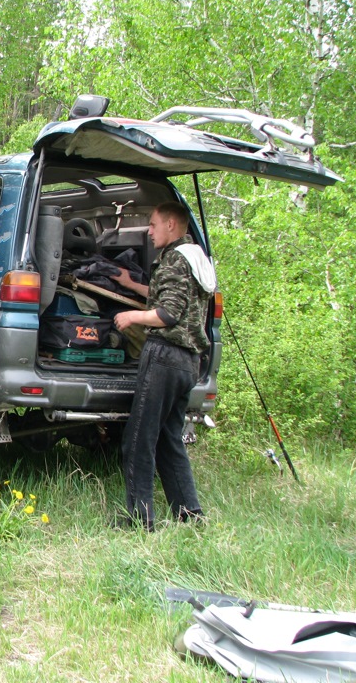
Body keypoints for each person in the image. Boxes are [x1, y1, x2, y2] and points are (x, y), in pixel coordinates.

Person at [110, 201, 217, 530]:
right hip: (189, 363)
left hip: (165, 355)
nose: (149, 230)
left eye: (154, 224)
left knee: (139, 438)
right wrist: (131, 286)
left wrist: (132, 316)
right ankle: (190, 515)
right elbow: (170, 297)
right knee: (170, 440)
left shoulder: (172, 259)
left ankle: (139, 521)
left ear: (171, 225)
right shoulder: (195, 259)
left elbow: (167, 313)